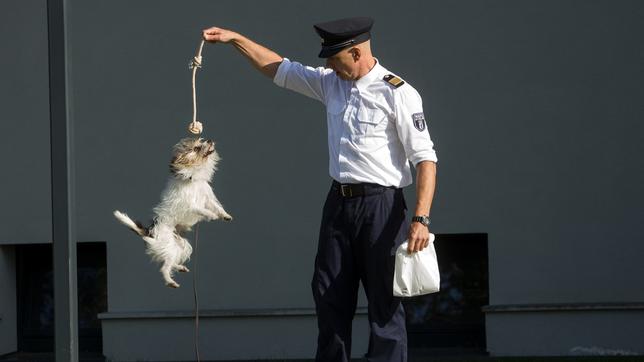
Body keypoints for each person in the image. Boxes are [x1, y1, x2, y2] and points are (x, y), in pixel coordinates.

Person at [203, 16, 438, 362]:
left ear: (356, 53)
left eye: (334, 59)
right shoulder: (331, 84)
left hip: (383, 208)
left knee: (384, 307)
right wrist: (236, 38)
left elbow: (425, 160)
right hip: (339, 206)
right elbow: (279, 69)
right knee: (328, 296)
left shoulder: (398, 93)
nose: (328, 65)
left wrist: (421, 217)